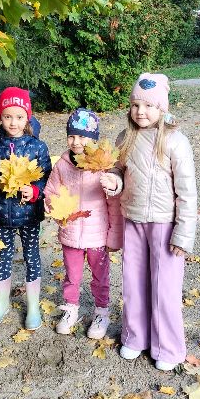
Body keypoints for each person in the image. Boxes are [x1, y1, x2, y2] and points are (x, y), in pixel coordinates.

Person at [100, 73, 197, 371]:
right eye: (135, 105)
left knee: (164, 288)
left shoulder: (175, 142)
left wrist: (183, 234)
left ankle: (167, 347)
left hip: (165, 224)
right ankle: (135, 336)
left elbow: (187, 192)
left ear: (162, 108)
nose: (140, 111)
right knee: (133, 282)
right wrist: (114, 181)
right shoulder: (125, 138)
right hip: (133, 220)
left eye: (148, 106)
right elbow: (119, 171)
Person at [45, 108, 122, 339]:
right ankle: (71, 309)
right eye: (71, 136)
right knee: (72, 276)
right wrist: (54, 209)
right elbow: (51, 192)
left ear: (93, 139)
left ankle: (101, 311)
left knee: (100, 276)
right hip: (70, 232)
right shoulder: (62, 165)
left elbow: (114, 203)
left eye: (82, 136)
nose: (76, 142)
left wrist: (114, 234)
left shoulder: (102, 166)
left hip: (97, 235)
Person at [0, 87, 51, 330]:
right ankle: (2, 303)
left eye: (19, 117)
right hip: (1, 214)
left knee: (32, 256)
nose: (13, 122)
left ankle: (33, 306)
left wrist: (35, 191)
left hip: (29, 215)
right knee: (3, 256)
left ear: (27, 118)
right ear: (0, 117)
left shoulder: (38, 147)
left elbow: (47, 177)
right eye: (8, 116)